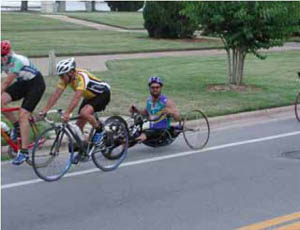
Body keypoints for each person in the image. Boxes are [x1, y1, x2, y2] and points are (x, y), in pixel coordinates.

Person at [40, 57, 111, 164]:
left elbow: (77, 98)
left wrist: (68, 113)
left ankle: (99, 129)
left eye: (62, 75)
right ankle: (84, 150)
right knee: (78, 127)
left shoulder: (81, 77)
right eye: (60, 76)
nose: (61, 78)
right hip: (90, 97)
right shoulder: (66, 79)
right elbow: (56, 95)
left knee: (84, 113)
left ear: (71, 72)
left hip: (102, 94)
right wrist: (45, 110)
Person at [1, 40, 46, 165]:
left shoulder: (17, 61)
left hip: (35, 83)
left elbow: (5, 83)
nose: (2, 59)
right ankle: (17, 127)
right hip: (23, 83)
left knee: (23, 115)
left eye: (4, 56)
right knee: (1, 101)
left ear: (9, 53)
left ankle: (24, 152)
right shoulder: (1, 60)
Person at [130, 76, 181, 143]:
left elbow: (178, 118)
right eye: (153, 87)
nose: (155, 89)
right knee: (133, 130)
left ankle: (135, 139)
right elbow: (146, 113)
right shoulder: (149, 100)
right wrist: (136, 110)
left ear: (161, 88)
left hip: (162, 131)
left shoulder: (166, 102)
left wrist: (170, 112)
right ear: (149, 88)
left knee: (143, 135)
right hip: (150, 128)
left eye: (157, 87)